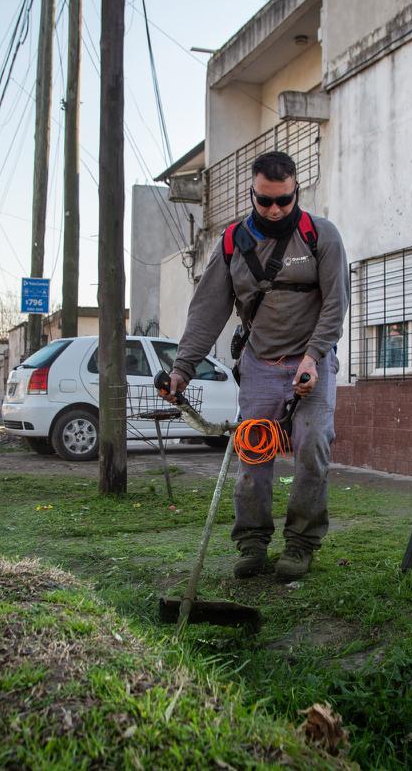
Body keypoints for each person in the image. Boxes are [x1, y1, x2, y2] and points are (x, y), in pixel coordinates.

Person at [165, 151, 347, 581]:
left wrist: (313, 356)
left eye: (284, 200)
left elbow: (336, 306)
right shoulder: (231, 243)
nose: (275, 210)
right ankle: (251, 543)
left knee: (313, 444)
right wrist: (182, 369)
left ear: (296, 191)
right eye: (265, 201)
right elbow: (207, 312)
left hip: (312, 360)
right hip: (260, 366)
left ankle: (301, 544)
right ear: (252, 193)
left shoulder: (322, 237)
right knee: (253, 454)